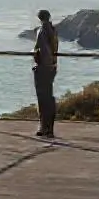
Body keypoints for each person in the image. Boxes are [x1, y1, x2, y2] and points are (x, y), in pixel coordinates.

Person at [32, 9, 59, 138]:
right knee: (48, 97)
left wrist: (39, 63)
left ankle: (44, 127)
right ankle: (48, 128)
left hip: (43, 68)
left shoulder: (42, 31)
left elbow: (42, 50)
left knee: (43, 98)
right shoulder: (52, 30)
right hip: (51, 67)